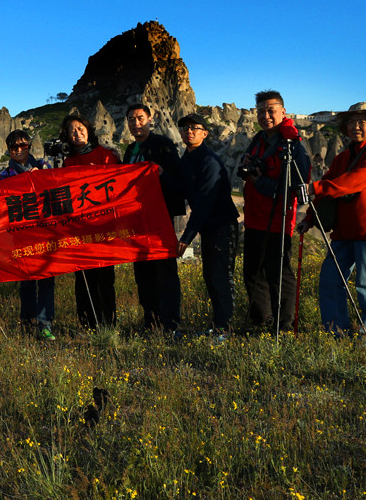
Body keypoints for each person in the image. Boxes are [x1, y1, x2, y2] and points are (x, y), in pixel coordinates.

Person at [298, 102, 366, 340]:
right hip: (342, 232)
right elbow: (328, 191)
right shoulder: (342, 158)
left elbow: (355, 181)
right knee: (330, 281)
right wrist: (309, 219)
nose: (356, 126)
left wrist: (316, 187)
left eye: (362, 121)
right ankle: (336, 334)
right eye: (351, 122)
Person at [240, 90, 311, 333]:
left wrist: (260, 182)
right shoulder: (259, 139)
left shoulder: (293, 144)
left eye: (271, 110)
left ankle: (284, 327)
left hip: (279, 218)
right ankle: (261, 321)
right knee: (252, 273)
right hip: (254, 217)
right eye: (261, 111)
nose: (266, 116)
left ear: (283, 111)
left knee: (279, 275)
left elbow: (298, 184)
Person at [123, 104, 185, 335]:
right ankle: (150, 322)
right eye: (131, 119)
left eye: (140, 118)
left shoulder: (162, 144)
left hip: (160, 218)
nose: (136, 123)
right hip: (136, 219)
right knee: (143, 273)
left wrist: (161, 174)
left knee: (164, 272)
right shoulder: (130, 150)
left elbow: (178, 180)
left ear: (150, 119)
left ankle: (170, 324)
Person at [176, 113, 240, 335]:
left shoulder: (209, 161)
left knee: (221, 277)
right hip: (209, 228)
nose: (189, 131)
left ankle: (225, 327)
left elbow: (204, 203)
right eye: (185, 128)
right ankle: (218, 325)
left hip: (222, 226)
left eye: (194, 128)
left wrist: (186, 237)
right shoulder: (186, 159)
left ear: (204, 133)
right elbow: (178, 190)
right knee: (211, 277)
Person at [60, 113, 121, 328]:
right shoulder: (68, 161)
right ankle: (87, 324)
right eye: (72, 131)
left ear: (88, 130)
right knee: (84, 279)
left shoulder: (105, 155)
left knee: (105, 278)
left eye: (80, 129)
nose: (77, 133)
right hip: (79, 229)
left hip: (104, 228)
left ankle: (108, 324)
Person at [0, 129, 56, 340]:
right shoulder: (4, 175)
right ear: (8, 150)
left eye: (23, 146)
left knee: (47, 279)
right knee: (27, 282)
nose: (19, 150)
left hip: (45, 232)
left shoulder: (43, 166)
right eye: (14, 147)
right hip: (21, 235)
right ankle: (28, 323)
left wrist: (41, 178)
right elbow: (0, 203)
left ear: (29, 147)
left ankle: (45, 324)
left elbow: (56, 188)